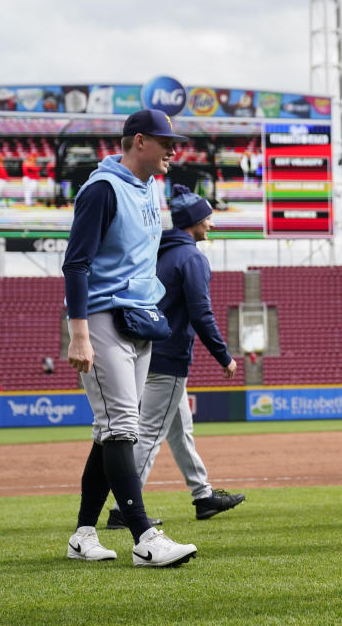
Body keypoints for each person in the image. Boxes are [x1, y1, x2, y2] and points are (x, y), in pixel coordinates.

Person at [62, 108, 198, 568]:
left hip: (140, 318)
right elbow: (75, 263)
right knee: (123, 426)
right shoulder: (101, 189)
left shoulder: (150, 186)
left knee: (109, 432)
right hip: (102, 317)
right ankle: (145, 538)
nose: (172, 150)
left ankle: (83, 534)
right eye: (165, 142)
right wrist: (79, 334)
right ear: (140, 141)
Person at [106, 184, 245, 530]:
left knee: (181, 431)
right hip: (169, 359)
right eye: (207, 216)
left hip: (150, 350)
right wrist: (223, 356)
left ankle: (203, 496)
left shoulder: (161, 253)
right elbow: (201, 312)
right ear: (193, 221)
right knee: (150, 434)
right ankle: (124, 509)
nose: (211, 222)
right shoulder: (192, 258)